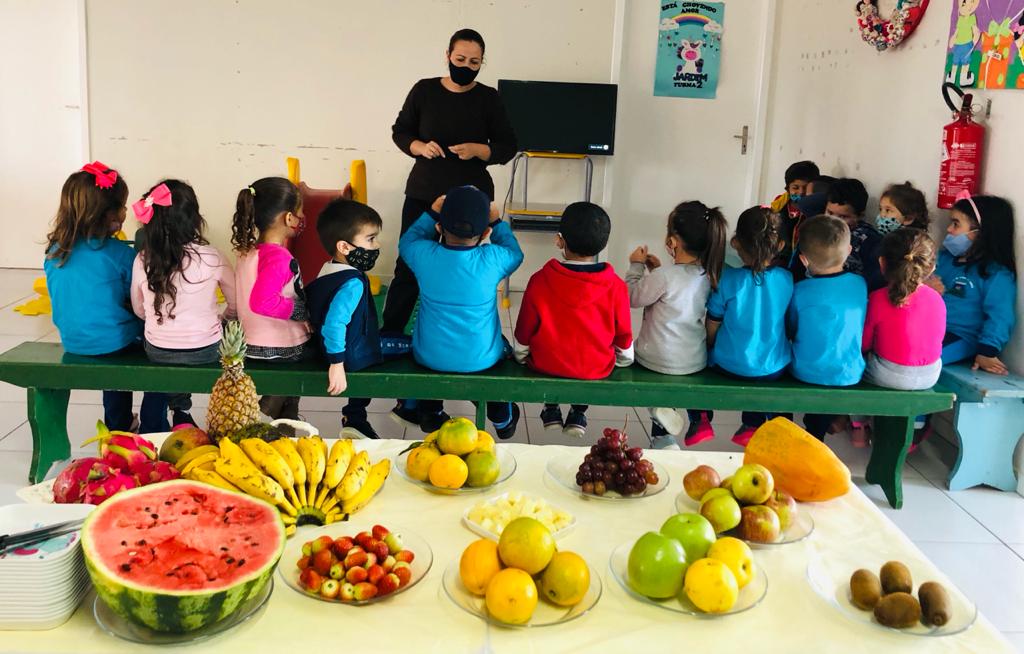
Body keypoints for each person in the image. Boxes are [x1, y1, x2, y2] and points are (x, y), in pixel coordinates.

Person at [387, 27, 517, 429]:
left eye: (474, 63)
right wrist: (418, 147)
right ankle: (391, 336)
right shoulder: (424, 90)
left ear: (482, 63)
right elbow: (400, 131)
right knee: (407, 270)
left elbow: (508, 145)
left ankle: (467, 346)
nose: (466, 68)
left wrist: (482, 151)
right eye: (460, 60)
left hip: (473, 199)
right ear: (447, 55)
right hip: (426, 193)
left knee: (471, 274)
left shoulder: (489, 98)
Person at [44, 162, 168, 433]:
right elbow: (140, 298)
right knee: (164, 346)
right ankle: (154, 422)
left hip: (73, 340)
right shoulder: (120, 254)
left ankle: (118, 424)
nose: (126, 212)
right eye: (122, 206)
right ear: (105, 214)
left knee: (109, 333)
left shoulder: (55, 252)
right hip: (112, 342)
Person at [399, 185, 524, 437]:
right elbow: (515, 253)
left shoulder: (424, 254)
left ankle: (431, 412)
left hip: (430, 356)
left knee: (431, 356)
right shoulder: (494, 259)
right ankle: (501, 416)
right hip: (482, 358)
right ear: (486, 232)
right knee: (502, 348)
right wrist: (498, 222)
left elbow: (408, 241)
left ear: (438, 229)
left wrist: (431, 214)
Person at [513, 202, 633, 440]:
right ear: (603, 243)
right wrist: (624, 359)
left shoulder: (540, 280)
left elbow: (524, 331)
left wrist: (520, 355)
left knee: (550, 356)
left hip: (547, 364)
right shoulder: (616, 286)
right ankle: (578, 412)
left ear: (559, 241)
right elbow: (624, 336)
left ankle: (551, 408)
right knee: (588, 359)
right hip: (595, 367)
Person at [130, 180, 236, 428]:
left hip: (157, 349)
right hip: (207, 350)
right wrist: (221, 319)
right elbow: (236, 304)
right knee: (191, 346)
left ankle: (153, 423)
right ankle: (181, 412)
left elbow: (138, 308)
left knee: (160, 356)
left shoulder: (143, 259)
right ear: (196, 220)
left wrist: (158, 321)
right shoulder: (213, 256)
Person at [626, 201, 728, 450]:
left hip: (655, 358)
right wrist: (658, 270)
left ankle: (658, 413)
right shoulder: (708, 274)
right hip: (693, 359)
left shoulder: (664, 277)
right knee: (668, 370)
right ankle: (663, 439)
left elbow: (631, 297)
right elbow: (679, 290)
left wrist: (636, 267)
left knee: (638, 357)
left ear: (672, 242)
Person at [306, 199, 411, 439]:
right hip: (351, 353)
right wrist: (336, 364)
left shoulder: (328, 268)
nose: (377, 245)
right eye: (371, 239)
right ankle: (411, 408)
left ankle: (355, 416)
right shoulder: (352, 283)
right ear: (344, 246)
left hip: (343, 347)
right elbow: (334, 323)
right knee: (413, 346)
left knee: (380, 350)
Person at [690, 206, 794, 446]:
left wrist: (710, 345)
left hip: (730, 364)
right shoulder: (787, 280)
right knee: (766, 375)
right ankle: (752, 423)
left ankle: (701, 418)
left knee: (698, 363)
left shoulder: (729, 280)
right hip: (773, 368)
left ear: (736, 243)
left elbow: (713, 321)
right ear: (779, 246)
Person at [231, 177, 312, 423]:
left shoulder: (249, 251)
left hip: (251, 341)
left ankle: (286, 425)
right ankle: (262, 415)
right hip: (281, 346)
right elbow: (262, 302)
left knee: (290, 400)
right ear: (288, 218)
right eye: (299, 213)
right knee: (316, 352)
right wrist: (301, 310)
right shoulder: (278, 257)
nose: (300, 219)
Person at [786, 215, 867, 440]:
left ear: (803, 260)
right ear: (849, 250)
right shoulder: (860, 285)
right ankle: (817, 431)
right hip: (850, 373)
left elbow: (791, 329)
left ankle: (786, 426)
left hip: (806, 372)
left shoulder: (801, 291)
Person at [935, 194, 1016, 375]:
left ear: (981, 232)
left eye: (956, 224)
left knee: (920, 359)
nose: (948, 229)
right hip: (927, 327)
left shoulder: (996, 274)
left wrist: (987, 350)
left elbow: (1000, 315)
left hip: (959, 337)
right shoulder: (943, 259)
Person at [826, 178, 884, 291]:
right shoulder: (818, 230)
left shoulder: (870, 241)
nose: (833, 221)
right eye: (830, 213)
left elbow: (874, 283)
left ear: (860, 216)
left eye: (843, 217)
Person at [770, 160, 820, 265]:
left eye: (806, 188)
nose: (801, 192)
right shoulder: (779, 206)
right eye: (795, 188)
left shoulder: (814, 211)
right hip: (779, 258)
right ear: (788, 189)